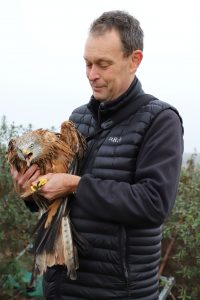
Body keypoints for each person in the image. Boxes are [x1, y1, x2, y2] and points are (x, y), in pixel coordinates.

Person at [11, 10, 184, 300]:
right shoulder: (78, 119)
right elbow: (59, 197)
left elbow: (154, 205)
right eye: (88, 63)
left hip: (118, 292)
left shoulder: (160, 121)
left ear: (134, 60)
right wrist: (33, 191)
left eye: (103, 64)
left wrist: (75, 184)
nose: (92, 74)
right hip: (63, 287)